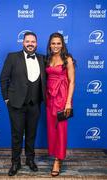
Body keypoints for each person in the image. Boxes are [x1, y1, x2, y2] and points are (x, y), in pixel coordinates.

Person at [0, 32, 46, 176]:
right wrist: (6, 98)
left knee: (31, 134)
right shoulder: (12, 57)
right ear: (23, 42)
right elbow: (3, 78)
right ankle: (15, 162)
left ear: (36, 43)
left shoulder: (42, 58)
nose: (30, 44)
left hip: (35, 103)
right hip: (16, 104)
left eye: (33, 41)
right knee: (17, 134)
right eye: (27, 41)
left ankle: (30, 160)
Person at [46, 32, 75, 176]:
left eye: (58, 43)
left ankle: (58, 160)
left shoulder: (67, 59)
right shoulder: (48, 58)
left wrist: (68, 102)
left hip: (62, 97)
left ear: (62, 44)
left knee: (61, 129)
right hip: (50, 97)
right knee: (52, 129)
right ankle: (55, 154)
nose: (56, 46)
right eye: (53, 43)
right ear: (49, 44)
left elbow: (72, 82)